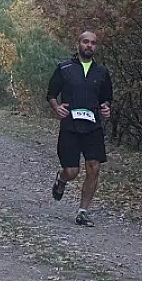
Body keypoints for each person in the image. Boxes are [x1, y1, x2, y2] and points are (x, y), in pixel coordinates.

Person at [46, 31, 113, 227]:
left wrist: (106, 107)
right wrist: (56, 107)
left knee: (94, 167)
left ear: (96, 47)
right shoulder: (64, 68)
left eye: (93, 43)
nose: (89, 46)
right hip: (70, 126)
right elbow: (51, 93)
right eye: (86, 42)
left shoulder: (101, 71)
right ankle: (61, 178)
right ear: (78, 44)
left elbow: (106, 97)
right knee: (72, 171)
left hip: (93, 127)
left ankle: (83, 211)